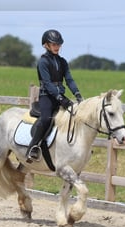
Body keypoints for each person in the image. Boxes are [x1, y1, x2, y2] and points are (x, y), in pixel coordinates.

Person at [26, 29, 83, 162]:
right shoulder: (43, 62)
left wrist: (77, 94)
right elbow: (47, 83)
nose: (57, 47)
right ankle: (32, 147)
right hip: (47, 97)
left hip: (59, 96)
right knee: (46, 119)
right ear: (46, 45)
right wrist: (60, 98)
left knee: (75, 115)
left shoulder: (63, 62)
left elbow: (69, 79)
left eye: (58, 44)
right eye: (53, 44)